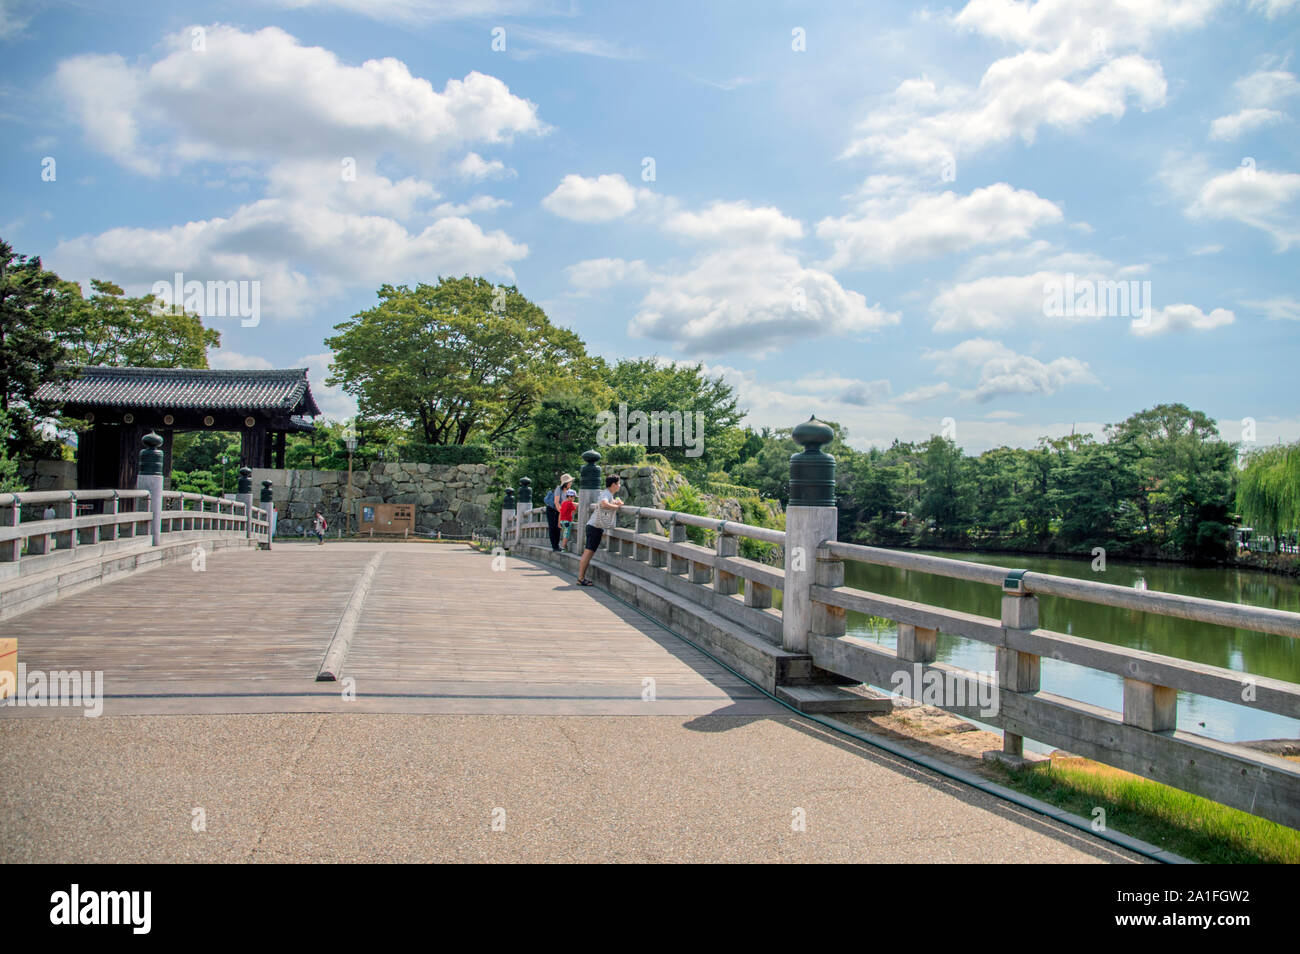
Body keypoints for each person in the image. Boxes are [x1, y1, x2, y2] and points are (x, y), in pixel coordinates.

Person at [577, 475, 622, 587]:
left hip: (594, 527)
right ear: (613, 485)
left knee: (589, 552)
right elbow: (603, 503)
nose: (619, 486)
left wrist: (616, 503)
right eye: (618, 483)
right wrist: (616, 507)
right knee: (588, 553)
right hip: (594, 527)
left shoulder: (608, 494)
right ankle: (581, 578)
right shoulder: (606, 493)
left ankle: (581, 578)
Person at [545, 473, 574, 552]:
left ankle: (557, 545)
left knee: (558, 527)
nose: (571, 483)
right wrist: (562, 512)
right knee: (552, 527)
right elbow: (556, 502)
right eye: (570, 482)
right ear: (566, 483)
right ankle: (555, 546)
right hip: (552, 510)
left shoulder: (568, 491)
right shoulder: (559, 489)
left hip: (559, 511)